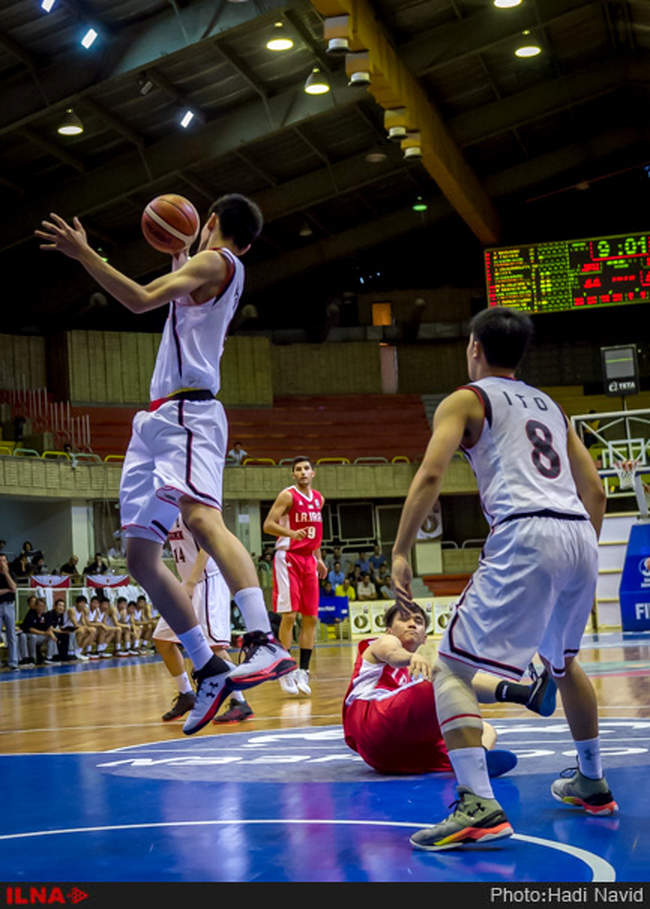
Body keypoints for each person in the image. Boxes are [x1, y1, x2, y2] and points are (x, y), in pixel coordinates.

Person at [36, 195, 296, 734]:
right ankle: (208, 667)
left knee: (202, 520)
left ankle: (264, 640)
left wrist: (85, 254)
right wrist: (179, 250)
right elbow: (180, 292)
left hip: (189, 413)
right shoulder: (210, 266)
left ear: (214, 224)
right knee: (139, 556)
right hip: (157, 419)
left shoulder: (218, 261)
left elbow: (140, 300)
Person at [391, 306, 617, 852]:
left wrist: (401, 550)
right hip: (579, 534)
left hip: (525, 532)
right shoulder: (552, 407)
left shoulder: (467, 399)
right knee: (562, 663)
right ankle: (591, 779)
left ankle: (477, 804)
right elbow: (599, 493)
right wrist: (577, 550)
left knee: (449, 667)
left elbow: (430, 472)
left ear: (474, 347)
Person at [343, 601, 556, 775]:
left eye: (418, 621)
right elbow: (392, 653)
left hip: (391, 757)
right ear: (389, 629)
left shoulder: (415, 678)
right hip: (372, 719)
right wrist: (410, 657)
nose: (411, 624)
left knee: (482, 728)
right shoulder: (381, 642)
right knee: (448, 674)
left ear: (425, 637)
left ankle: (473, 761)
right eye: (404, 618)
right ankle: (527, 694)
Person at [154, 515, 253, 724]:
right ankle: (186, 694)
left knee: (215, 648)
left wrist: (191, 581)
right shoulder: (168, 509)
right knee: (163, 639)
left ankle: (240, 702)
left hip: (206, 582)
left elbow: (208, 544)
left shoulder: (192, 507)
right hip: (187, 582)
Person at [263, 456, 327, 696]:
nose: (302, 472)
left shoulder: (319, 499)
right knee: (289, 616)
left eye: (306, 468)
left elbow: (315, 533)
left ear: (313, 473)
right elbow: (268, 525)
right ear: (293, 475)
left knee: (310, 618)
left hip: (309, 559)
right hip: (288, 558)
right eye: (298, 469)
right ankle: (285, 669)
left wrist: (319, 558)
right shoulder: (287, 496)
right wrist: (290, 532)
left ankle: (303, 671)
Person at [0, 554, 18, 670]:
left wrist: (6, 573)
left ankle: (13, 662)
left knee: (11, 634)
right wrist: (8, 590)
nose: (2, 562)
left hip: (9, 606)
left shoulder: (11, 574)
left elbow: (14, 588)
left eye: (4, 560)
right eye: (0, 560)